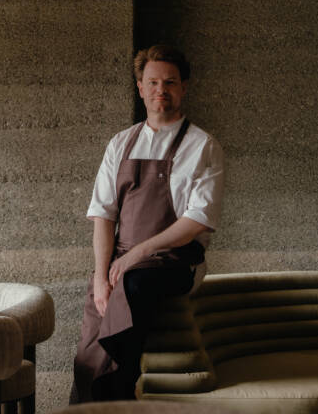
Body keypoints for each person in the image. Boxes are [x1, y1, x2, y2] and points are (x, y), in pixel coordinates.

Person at [72, 44, 224, 402]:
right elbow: (103, 215)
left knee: (134, 285)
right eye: (153, 82)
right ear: (140, 87)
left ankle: (121, 393)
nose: (161, 90)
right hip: (122, 263)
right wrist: (100, 276)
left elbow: (197, 221)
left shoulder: (203, 146)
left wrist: (136, 254)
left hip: (175, 261)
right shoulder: (120, 144)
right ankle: (94, 404)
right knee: (91, 340)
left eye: (170, 82)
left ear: (184, 87)